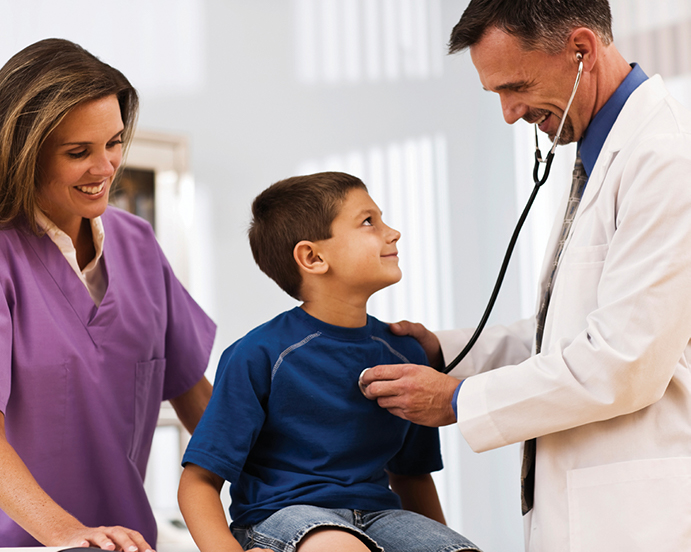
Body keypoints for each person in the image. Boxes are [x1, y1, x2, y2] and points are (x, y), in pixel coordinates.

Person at [359, 0, 691, 550]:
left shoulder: (664, 159)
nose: (509, 114)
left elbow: (624, 360)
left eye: (515, 87)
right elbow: (569, 331)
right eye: (497, 95)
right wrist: (447, 349)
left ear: (581, 50)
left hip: (640, 516)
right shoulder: (596, 149)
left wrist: (459, 400)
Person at [178, 172, 480, 552]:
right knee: (340, 547)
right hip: (283, 516)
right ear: (313, 257)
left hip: (379, 517)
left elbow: (412, 478)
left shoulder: (406, 355)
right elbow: (199, 482)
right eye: (369, 222)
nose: (393, 233)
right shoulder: (259, 354)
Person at [0, 39, 216, 550]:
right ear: (24, 151)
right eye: (79, 152)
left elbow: (193, 392)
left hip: (128, 542)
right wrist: (67, 536)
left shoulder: (136, 242)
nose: (106, 169)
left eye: (114, 142)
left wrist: (283, 490)